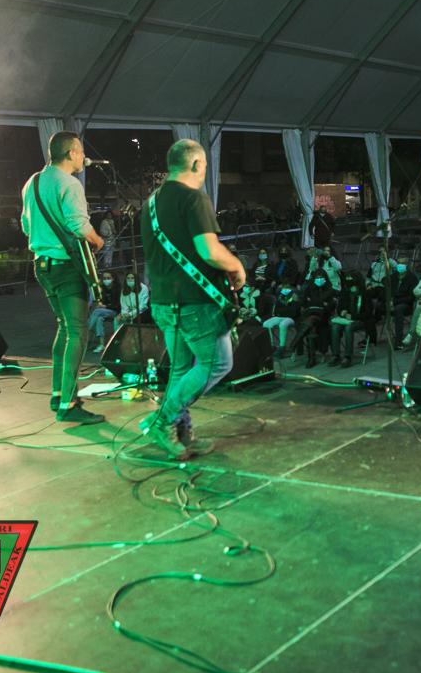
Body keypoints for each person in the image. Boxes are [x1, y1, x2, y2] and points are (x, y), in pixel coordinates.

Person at [140, 138, 246, 459]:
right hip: (194, 303)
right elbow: (208, 250)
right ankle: (163, 420)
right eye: (204, 167)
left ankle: (182, 434)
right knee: (218, 364)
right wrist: (236, 265)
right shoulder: (193, 198)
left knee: (181, 369)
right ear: (197, 164)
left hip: (163, 302)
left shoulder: (150, 204)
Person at [21, 130, 106, 424]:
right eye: (81, 151)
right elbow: (79, 226)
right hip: (66, 267)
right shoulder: (69, 184)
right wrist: (98, 240)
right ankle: (69, 404)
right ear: (71, 153)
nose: (84, 157)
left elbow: (25, 226)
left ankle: (58, 394)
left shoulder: (32, 183)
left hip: (42, 266)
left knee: (64, 327)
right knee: (78, 332)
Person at [329, 273, 377, 367]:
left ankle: (348, 357)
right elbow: (339, 308)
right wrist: (342, 312)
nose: (352, 287)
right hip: (346, 319)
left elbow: (368, 313)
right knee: (335, 327)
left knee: (349, 327)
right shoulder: (345, 293)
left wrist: (353, 316)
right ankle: (336, 355)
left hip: (360, 320)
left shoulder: (365, 294)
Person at [293, 270, 337, 367]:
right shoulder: (309, 289)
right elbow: (303, 303)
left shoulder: (330, 290)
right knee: (311, 325)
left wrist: (313, 301)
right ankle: (311, 357)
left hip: (324, 317)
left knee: (310, 324)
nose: (319, 279)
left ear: (325, 278)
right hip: (309, 314)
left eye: (321, 277)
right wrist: (320, 303)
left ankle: (309, 356)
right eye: (317, 278)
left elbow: (330, 306)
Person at [263, 280, 301, 358]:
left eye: (287, 288)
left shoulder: (295, 298)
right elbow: (277, 311)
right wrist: (285, 310)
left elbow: (294, 312)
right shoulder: (280, 298)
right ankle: (272, 345)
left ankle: (282, 347)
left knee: (283, 324)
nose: (285, 290)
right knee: (266, 324)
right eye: (284, 288)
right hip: (280, 317)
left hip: (292, 318)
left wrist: (284, 310)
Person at [88, 271, 120, 353]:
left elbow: (117, 306)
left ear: (113, 278)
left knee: (97, 312)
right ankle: (102, 344)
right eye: (104, 278)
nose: (106, 280)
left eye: (108, 278)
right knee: (99, 319)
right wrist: (101, 304)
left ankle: (87, 330)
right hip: (106, 311)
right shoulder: (104, 289)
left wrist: (105, 306)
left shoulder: (117, 289)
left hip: (115, 312)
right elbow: (104, 301)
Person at [390, 256, 417, 350]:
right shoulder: (393, 276)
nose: (400, 265)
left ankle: (398, 341)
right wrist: (389, 301)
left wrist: (394, 302)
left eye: (403, 263)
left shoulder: (412, 278)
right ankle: (370, 338)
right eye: (399, 263)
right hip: (392, 302)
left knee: (398, 310)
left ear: (407, 265)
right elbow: (387, 289)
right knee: (377, 306)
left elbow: (411, 297)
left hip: (405, 304)